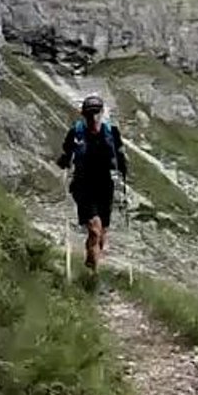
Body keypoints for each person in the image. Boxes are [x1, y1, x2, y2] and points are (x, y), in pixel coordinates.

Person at [56, 94, 128, 271]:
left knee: (102, 234)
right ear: (84, 115)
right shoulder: (77, 132)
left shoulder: (111, 132)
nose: (93, 117)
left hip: (104, 186)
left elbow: (120, 157)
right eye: (89, 114)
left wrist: (123, 170)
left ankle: (91, 266)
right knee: (94, 230)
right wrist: (65, 161)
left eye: (96, 113)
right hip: (83, 185)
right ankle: (92, 272)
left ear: (102, 112)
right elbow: (66, 152)